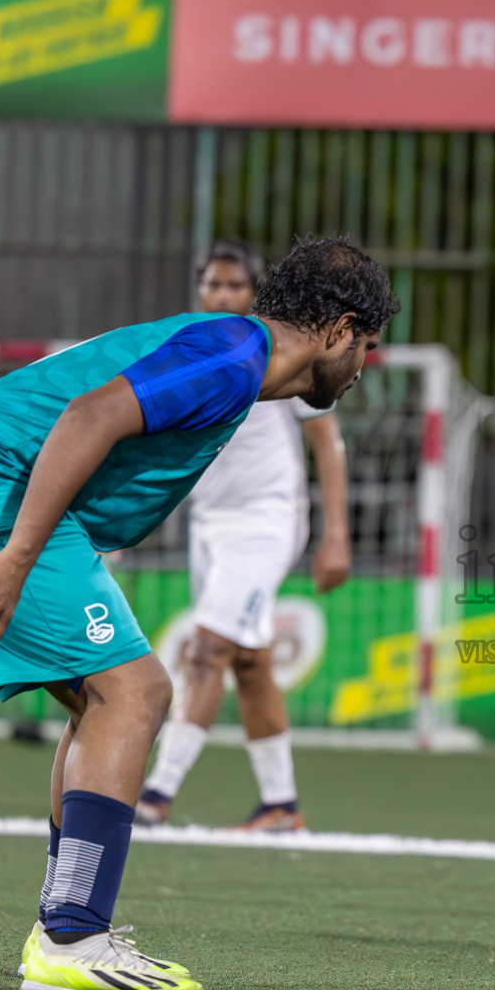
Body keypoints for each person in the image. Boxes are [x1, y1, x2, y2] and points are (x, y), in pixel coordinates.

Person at [0, 236, 398, 990]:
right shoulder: (232, 357)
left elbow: (48, 422)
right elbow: (88, 418)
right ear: (337, 328)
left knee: (102, 700)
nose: (362, 366)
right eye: (366, 345)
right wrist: (11, 559)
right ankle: (73, 939)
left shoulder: (230, 354)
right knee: (136, 693)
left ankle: (65, 923)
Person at [136, 241, 352, 832]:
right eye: (214, 284)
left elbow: (326, 443)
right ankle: (280, 804)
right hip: (210, 523)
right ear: (200, 290)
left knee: (207, 650)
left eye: (235, 286)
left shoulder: (275, 347)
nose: (223, 295)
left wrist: (337, 535)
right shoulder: (188, 348)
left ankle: (155, 794)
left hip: (267, 518)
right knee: (250, 662)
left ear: (254, 293)